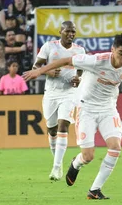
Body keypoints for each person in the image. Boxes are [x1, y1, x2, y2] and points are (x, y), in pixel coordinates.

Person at [23, 33, 122, 199]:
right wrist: (40, 71)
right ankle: (76, 163)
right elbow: (66, 61)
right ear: (113, 50)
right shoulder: (96, 60)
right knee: (88, 156)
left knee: (115, 147)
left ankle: (94, 190)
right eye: (121, 53)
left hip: (108, 109)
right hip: (86, 109)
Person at [32, 21, 85, 181]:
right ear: (60, 31)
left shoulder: (79, 50)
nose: (71, 34)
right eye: (68, 31)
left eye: (73, 32)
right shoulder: (49, 47)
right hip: (51, 94)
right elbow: (36, 67)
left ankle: (56, 167)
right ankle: (59, 162)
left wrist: (79, 78)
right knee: (52, 130)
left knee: (63, 125)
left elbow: (83, 71)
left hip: (69, 93)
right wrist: (48, 73)